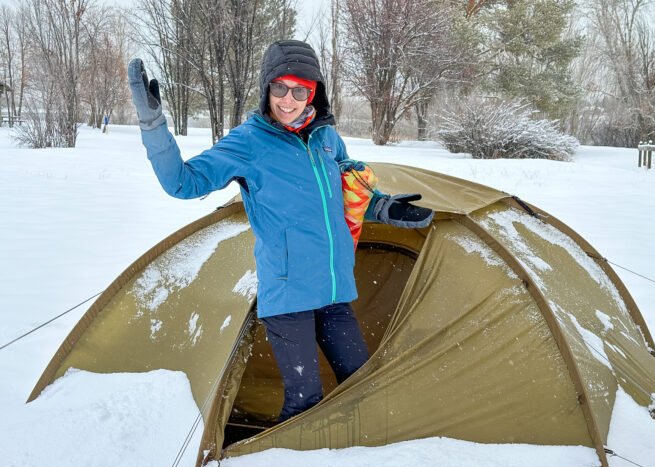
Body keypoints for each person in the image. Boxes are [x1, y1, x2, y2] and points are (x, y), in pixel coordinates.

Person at [128, 40, 433, 422]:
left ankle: (359, 465)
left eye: (300, 90)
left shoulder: (326, 139)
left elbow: (349, 190)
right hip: (288, 294)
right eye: (280, 88)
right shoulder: (249, 141)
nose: (289, 100)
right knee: (306, 398)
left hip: (334, 290)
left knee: (361, 382)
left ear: (314, 93)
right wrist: (152, 123)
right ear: (266, 88)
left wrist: (384, 207)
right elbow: (181, 183)